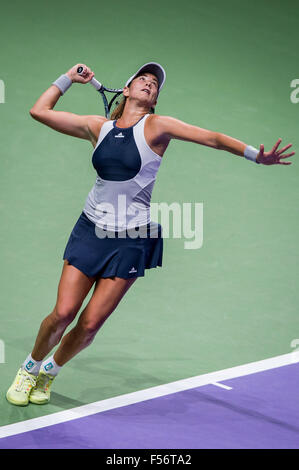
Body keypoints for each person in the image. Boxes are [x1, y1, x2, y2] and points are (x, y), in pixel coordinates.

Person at [6, 62, 295, 406]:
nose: (148, 83)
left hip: (131, 240)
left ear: (154, 99)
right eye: (142, 79)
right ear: (126, 91)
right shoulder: (96, 127)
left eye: (154, 84)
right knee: (64, 313)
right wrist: (68, 79)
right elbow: (39, 111)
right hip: (91, 230)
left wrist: (254, 155)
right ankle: (29, 369)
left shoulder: (159, 126)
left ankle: (49, 372)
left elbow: (213, 138)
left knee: (90, 324)